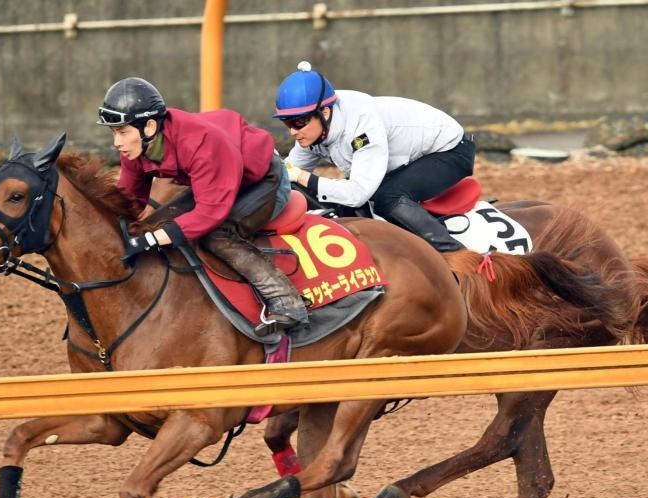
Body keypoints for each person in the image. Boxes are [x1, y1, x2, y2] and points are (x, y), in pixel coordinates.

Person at [97, 77, 308, 336]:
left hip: (264, 180)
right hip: (222, 175)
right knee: (157, 225)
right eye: (113, 133)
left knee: (216, 235)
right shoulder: (136, 147)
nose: (116, 142)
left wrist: (151, 240)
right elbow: (127, 201)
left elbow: (210, 213)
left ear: (149, 126)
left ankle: (287, 302)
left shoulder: (199, 143)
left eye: (122, 132)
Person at [274, 61, 474, 253]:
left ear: (324, 113)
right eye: (287, 123)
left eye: (299, 122)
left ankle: (458, 256)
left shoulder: (361, 125)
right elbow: (288, 173)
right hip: (408, 157)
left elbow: (357, 192)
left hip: (450, 151)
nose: (293, 132)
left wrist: (301, 177)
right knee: (339, 201)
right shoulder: (314, 129)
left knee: (387, 198)